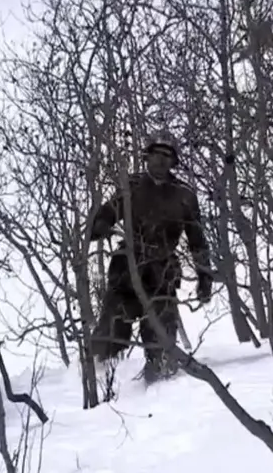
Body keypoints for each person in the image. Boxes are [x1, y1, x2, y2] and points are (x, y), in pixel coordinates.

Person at [88, 134, 213, 382]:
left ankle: (159, 388)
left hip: (161, 276)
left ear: (173, 162)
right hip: (127, 271)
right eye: (156, 154)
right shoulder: (131, 185)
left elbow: (197, 240)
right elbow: (108, 213)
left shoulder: (184, 195)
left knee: (161, 343)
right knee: (110, 334)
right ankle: (95, 383)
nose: (160, 161)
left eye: (166, 156)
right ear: (147, 157)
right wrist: (99, 225)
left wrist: (204, 277)